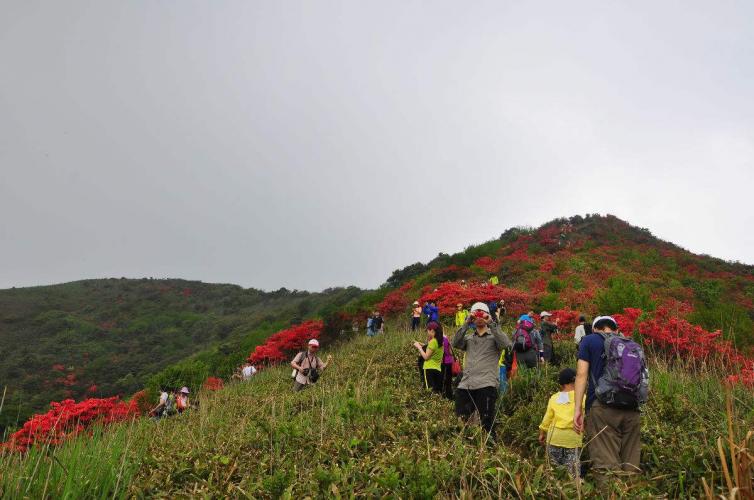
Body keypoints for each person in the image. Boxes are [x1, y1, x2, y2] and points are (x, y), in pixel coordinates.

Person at [573, 316, 648, 489]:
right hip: (632, 409)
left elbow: (582, 374)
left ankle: (612, 494)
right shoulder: (631, 344)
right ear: (615, 328)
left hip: (602, 408)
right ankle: (632, 492)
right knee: (631, 465)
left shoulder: (589, 340)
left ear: (594, 328)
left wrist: (578, 409)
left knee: (606, 466)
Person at [452, 302, 512, 441]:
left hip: (486, 385)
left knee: (486, 423)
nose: (479, 317)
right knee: (462, 420)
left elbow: (506, 344)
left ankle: (488, 449)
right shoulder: (469, 339)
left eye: (482, 313)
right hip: (466, 384)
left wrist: (491, 322)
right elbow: (455, 343)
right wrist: (466, 322)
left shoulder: (494, 337)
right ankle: (467, 448)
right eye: (476, 313)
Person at [539, 368, 584, 478]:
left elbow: (546, 420)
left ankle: (554, 492)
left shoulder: (554, 398)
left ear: (561, 384)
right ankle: (573, 492)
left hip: (554, 438)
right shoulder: (582, 398)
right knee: (572, 474)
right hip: (572, 440)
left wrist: (542, 433)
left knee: (553, 472)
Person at [414, 322, 444, 394]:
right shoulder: (440, 341)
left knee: (429, 391)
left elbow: (426, 357)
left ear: (432, 330)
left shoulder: (432, 342)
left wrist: (419, 347)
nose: (427, 332)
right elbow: (433, 349)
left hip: (429, 368)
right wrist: (423, 344)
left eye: (428, 330)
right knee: (436, 391)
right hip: (437, 368)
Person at [440, 325, 455, 400]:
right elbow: (450, 351)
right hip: (450, 361)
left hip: (443, 362)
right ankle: (450, 396)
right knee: (449, 381)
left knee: (442, 380)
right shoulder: (446, 338)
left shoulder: (439, 339)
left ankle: (443, 397)